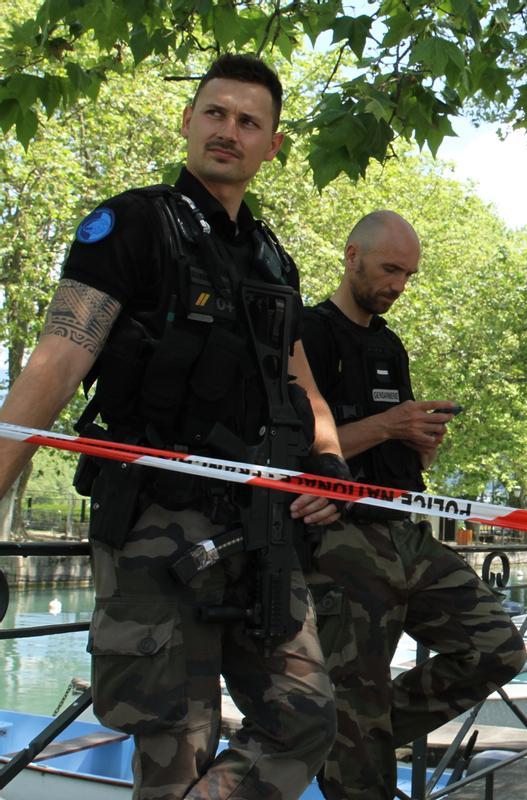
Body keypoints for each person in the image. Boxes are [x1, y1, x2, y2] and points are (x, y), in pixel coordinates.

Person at [0, 54, 343, 799]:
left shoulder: (272, 257)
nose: (228, 131)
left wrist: (329, 457)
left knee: (307, 715)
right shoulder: (131, 226)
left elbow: (299, 376)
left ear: (271, 144)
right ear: (187, 121)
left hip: (262, 531)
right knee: (177, 748)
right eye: (214, 113)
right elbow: (55, 365)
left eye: (248, 121)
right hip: (154, 526)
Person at [300, 210, 527, 799]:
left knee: (496, 649)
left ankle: (347, 732)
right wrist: (389, 423)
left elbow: (390, 443)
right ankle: (346, 736)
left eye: (409, 274)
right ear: (352, 257)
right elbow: (298, 452)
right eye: (389, 269)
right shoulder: (307, 333)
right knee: (354, 704)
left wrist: (418, 441)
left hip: (406, 529)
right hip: (338, 542)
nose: (398, 284)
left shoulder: (390, 345)